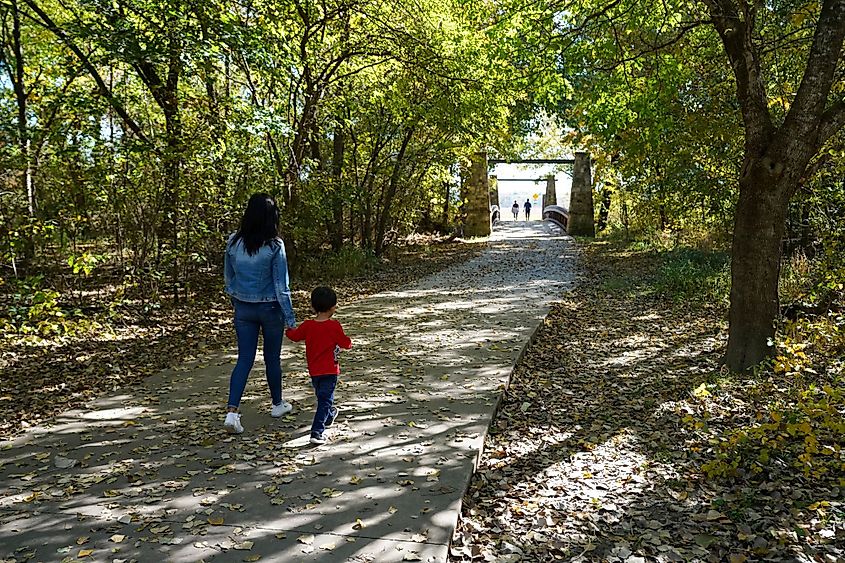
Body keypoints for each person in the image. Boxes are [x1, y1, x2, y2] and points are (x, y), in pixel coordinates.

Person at [223, 193, 296, 434]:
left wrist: (236, 298)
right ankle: (277, 404)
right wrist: (291, 318)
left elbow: (228, 277)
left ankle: (232, 413)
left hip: (243, 308)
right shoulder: (275, 245)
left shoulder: (233, 241)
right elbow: (281, 285)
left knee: (244, 359)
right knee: (272, 357)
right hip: (270, 308)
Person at [286, 286, 352, 445]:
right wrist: (349, 342)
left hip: (314, 370)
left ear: (313, 307)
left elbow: (295, 336)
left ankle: (329, 414)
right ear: (333, 307)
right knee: (324, 399)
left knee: (323, 398)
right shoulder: (334, 326)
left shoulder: (308, 325)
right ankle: (316, 432)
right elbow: (345, 343)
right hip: (330, 369)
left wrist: (288, 330)